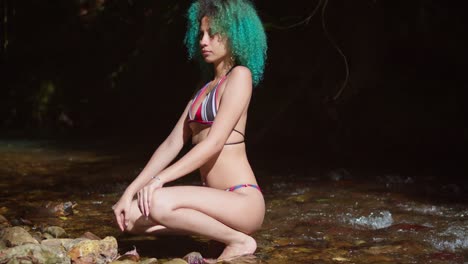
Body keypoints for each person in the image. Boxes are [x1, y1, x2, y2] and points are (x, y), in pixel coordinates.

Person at [112, 0, 267, 260]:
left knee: (158, 202)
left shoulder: (240, 76)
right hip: (214, 203)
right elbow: (170, 145)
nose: (203, 41)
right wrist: (130, 192)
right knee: (130, 219)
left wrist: (160, 180)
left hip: (241, 200)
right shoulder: (201, 91)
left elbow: (214, 143)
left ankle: (239, 241)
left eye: (213, 34)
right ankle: (212, 232)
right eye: (201, 34)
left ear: (235, 35)